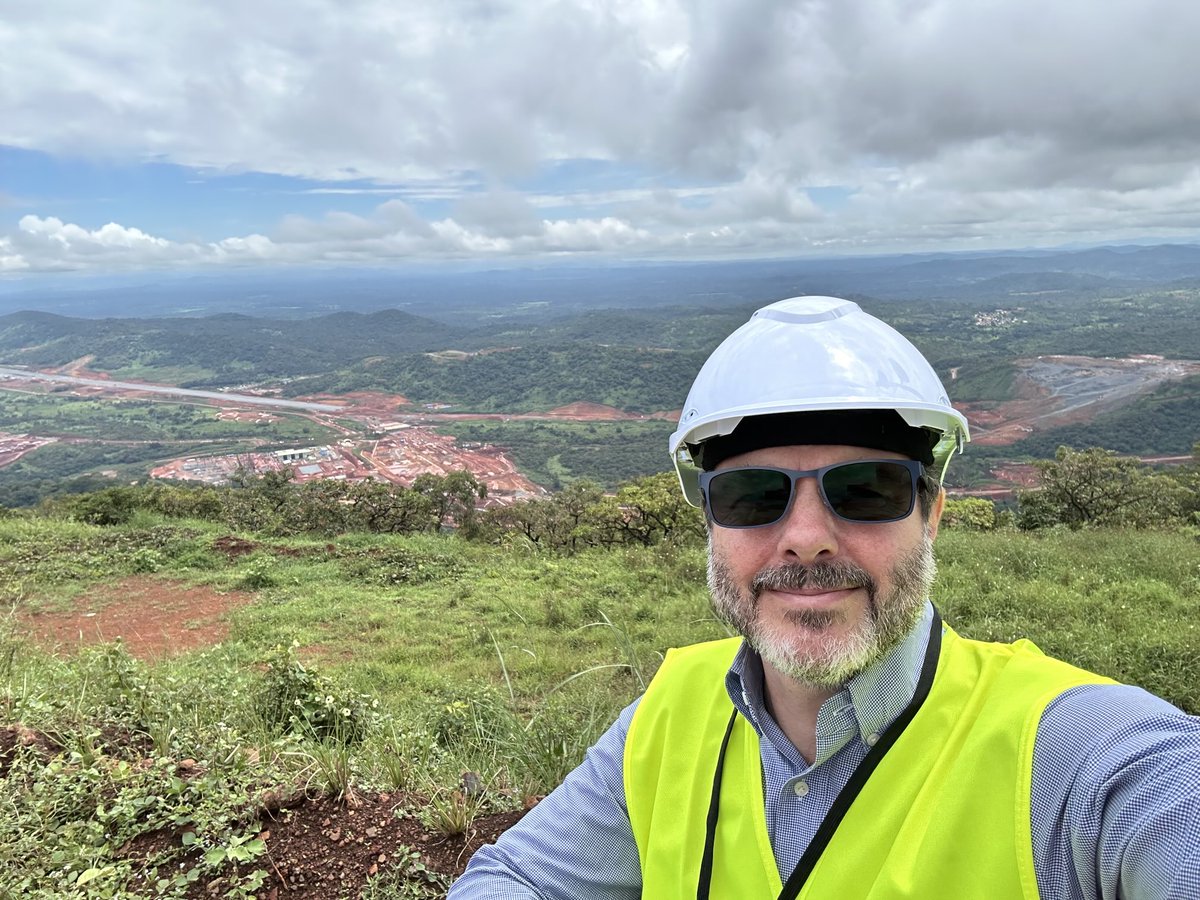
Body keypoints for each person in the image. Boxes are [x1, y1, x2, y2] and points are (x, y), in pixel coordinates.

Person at [449, 296, 1200, 899]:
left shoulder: (1073, 756)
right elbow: (515, 879)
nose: (806, 537)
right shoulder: (666, 717)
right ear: (709, 522)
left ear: (932, 513)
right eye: (751, 495)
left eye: (866, 490)